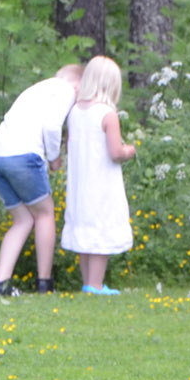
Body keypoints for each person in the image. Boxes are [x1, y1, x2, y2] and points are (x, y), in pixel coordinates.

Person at [0, 64, 82, 297]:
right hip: (22, 155)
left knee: (23, 219)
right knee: (45, 213)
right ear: (78, 85)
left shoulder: (38, 89)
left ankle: (0, 285)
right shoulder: (66, 90)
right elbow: (52, 126)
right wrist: (55, 158)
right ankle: (45, 283)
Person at [59, 55, 137, 295]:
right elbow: (115, 152)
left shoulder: (74, 112)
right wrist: (129, 150)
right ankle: (95, 285)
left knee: (85, 231)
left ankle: (87, 281)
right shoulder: (107, 114)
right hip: (101, 183)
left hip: (80, 183)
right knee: (100, 231)